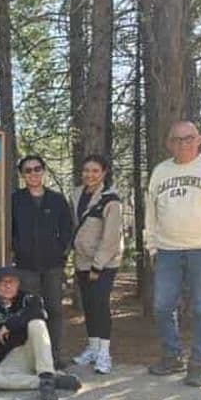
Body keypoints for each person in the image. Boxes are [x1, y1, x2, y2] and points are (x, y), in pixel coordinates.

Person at [145, 120, 201, 386]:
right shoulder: (161, 171)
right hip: (168, 250)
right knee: (161, 306)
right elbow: (152, 213)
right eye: (177, 139)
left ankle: (198, 362)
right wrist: (152, 246)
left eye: (188, 138)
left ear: (199, 139)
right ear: (169, 142)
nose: (183, 144)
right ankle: (172, 355)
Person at [0, 267, 81, 400]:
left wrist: (9, 325)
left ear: (18, 284)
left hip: (31, 350)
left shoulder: (28, 298)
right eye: (3, 282)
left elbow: (39, 313)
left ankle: (47, 385)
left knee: (37, 323)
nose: (8, 285)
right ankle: (50, 381)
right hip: (12, 358)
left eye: (11, 282)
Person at [11, 154, 73, 369]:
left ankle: (55, 356)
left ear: (43, 171)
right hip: (25, 267)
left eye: (37, 169)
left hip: (53, 266)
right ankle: (36, 357)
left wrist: (61, 252)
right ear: (22, 175)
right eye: (28, 170)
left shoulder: (56, 200)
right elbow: (9, 231)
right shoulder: (15, 200)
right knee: (33, 312)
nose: (33, 173)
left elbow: (67, 230)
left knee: (55, 310)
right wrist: (16, 250)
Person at [70, 155, 123, 374]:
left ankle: (104, 353)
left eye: (94, 171)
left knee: (100, 306)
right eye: (86, 170)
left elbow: (111, 236)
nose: (89, 175)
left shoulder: (111, 199)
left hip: (103, 263)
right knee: (89, 306)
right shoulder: (76, 194)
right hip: (82, 261)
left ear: (103, 173)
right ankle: (92, 348)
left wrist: (97, 265)